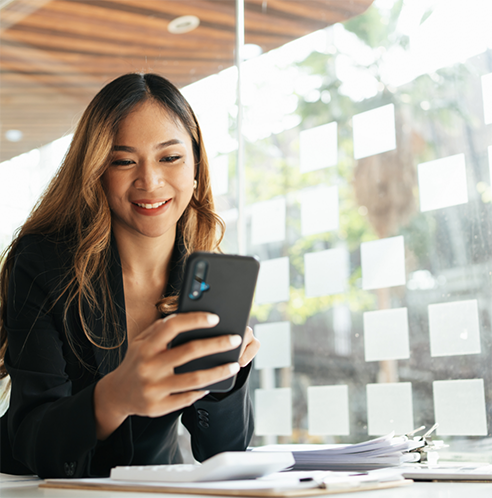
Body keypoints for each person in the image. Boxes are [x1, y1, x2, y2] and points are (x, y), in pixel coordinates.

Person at [0, 73, 259, 478]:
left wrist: (228, 372)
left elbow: (224, 452)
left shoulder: (203, 279)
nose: (150, 181)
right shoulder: (43, 262)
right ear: (97, 172)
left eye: (170, 158)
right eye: (123, 161)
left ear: (195, 169)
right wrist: (114, 397)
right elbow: (31, 437)